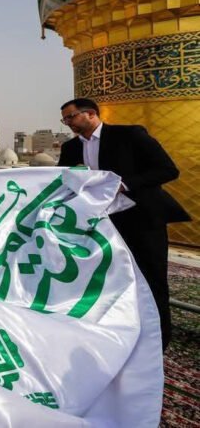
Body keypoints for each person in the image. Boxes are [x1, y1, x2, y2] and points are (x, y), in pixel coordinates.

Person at [57, 98, 190, 350]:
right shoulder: (71, 148)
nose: (68, 123)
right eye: (65, 120)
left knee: (151, 279)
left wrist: (123, 185)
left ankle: (158, 341)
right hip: (102, 225)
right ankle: (119, 337)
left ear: (90, 114)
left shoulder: (129, 136)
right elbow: (61, 181)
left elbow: (167, 170)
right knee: (109, 280)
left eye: (71, 117)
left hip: (141, 221)